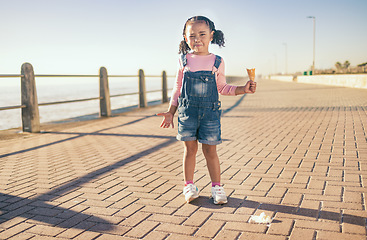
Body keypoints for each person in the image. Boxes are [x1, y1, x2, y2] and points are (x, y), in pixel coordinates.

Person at [157, 16, 256, 204]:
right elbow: (177, 88)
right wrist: (171, 112)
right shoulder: (183, 60)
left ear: (211, 36)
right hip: (187, 113)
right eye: (192, 35)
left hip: (210, 113)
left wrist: (243, 89)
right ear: (185, 38)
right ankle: (189, 185)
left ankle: (217, 187)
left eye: (202, 34)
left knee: (210, 151)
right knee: (190, 149)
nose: (197, 39)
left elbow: (222, 88)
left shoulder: (217, 61)